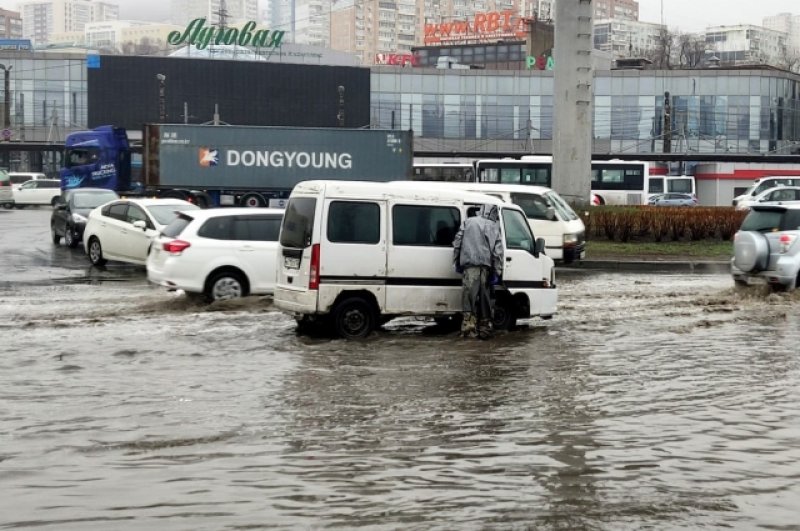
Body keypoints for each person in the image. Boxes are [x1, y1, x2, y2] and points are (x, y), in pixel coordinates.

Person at [453, 204, 504, 339]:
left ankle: (469, 329)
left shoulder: (468, 222)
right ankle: (485, 328)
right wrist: (497, 272)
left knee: (469, 298)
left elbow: (457, 242)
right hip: (486, 270)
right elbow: (498, 253)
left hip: (470, 268)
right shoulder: (494, 227)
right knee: (485, 299)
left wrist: (456, 262)